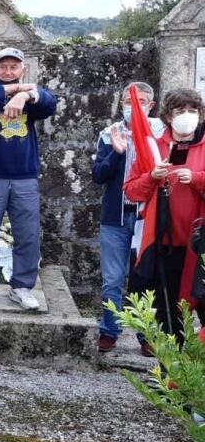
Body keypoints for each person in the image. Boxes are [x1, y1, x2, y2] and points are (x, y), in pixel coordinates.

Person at [0, 47, 58, 311]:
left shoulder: (31, 100)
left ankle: (22, 288)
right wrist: (16, 90)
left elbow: (50, 103)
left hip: (24, 178)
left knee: (28, 235)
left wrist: (26, 95)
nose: (8, 71)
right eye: (3, 66)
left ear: (23, 69)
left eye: (14, 67)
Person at [124, 88, 205, 349]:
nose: (187, 116)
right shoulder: (153, 146)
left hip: (201, 247)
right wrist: (152, 177)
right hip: (165, 245)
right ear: (168, 116)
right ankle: (173, 370)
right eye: (180, 111)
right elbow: (132, 191)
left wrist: (197, 178)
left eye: (192, 110)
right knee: (169, 314)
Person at [91, 82, 164, 353]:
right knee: (112, 279)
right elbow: (98, 175)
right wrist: (116, 152)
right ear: (121, 103)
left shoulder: (160, 133)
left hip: (147, 217)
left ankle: (146, 335)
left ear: (151, 106)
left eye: (141, 101)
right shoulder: (109, 134)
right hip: (116, 217)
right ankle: (110, 330)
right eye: (129, 101)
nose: (135, 105)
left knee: (145, 278)